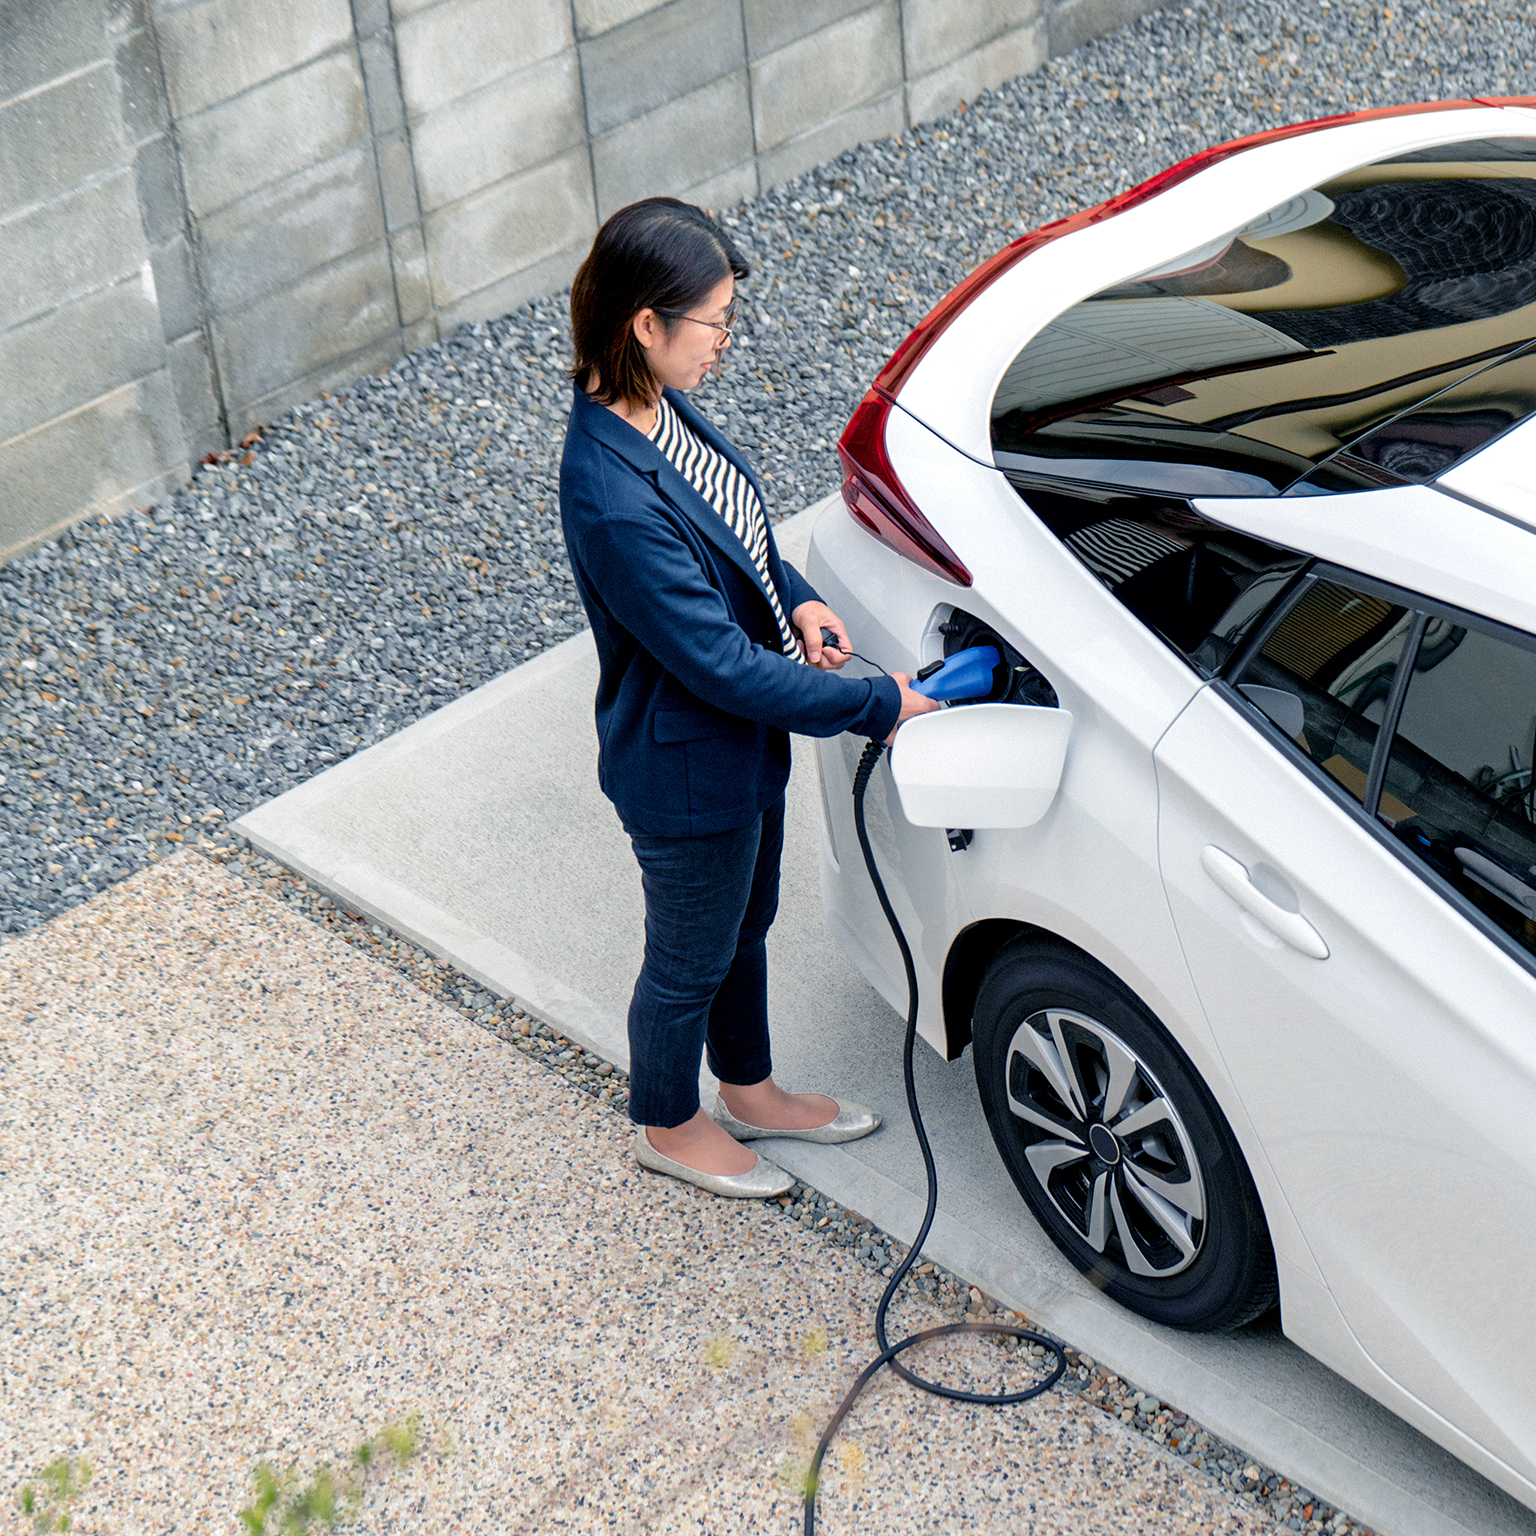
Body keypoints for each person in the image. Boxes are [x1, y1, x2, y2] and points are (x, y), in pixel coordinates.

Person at [559, 197, 939, 1198]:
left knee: (746, 923)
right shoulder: (608, 490)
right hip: (688, 767)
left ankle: (751, 1090)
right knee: (688, 958)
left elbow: (736, 539)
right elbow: (718, 665)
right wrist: (878, 707)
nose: (725, 342)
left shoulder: (657, 406)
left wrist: (800, 599)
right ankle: (670, 1123)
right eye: (713, 322)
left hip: (738, 746)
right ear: (647, 323)